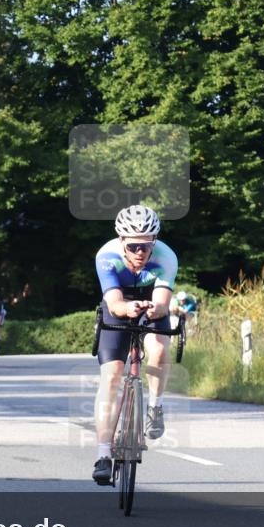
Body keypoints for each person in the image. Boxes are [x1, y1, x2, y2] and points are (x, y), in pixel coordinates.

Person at [91, 205, 176, 485]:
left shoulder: (166, 257)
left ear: (155, 242)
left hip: (151, 300)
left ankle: (155, 407)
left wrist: (155, 310)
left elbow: (163, 303)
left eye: (147, 246)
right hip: (120, 301)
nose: (141, 252)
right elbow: (114, 303)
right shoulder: (107, 256)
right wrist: (127, 308)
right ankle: (103, 455)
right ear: (121, 242)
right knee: (112, 374)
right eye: (134, 246)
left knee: (160, 349)